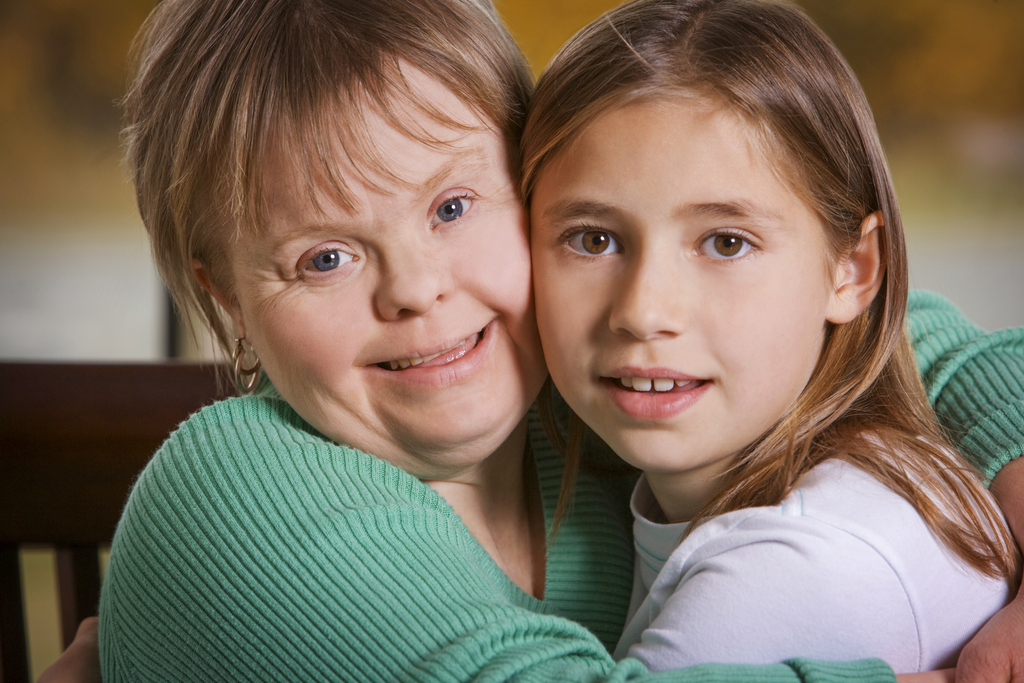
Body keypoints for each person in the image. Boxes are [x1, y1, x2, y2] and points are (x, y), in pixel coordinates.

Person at [39, 0, 1024, 681]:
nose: (419, 290)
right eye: (325, 258)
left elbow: (912, 337)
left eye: (454, 204)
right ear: (226, 301)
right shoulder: (237, 485)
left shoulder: (592, 377)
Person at [523, 0, 1021, 674]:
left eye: (727, 242)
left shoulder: (793, 567)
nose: (642, 311)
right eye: (593, 239)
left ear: (853, 269)